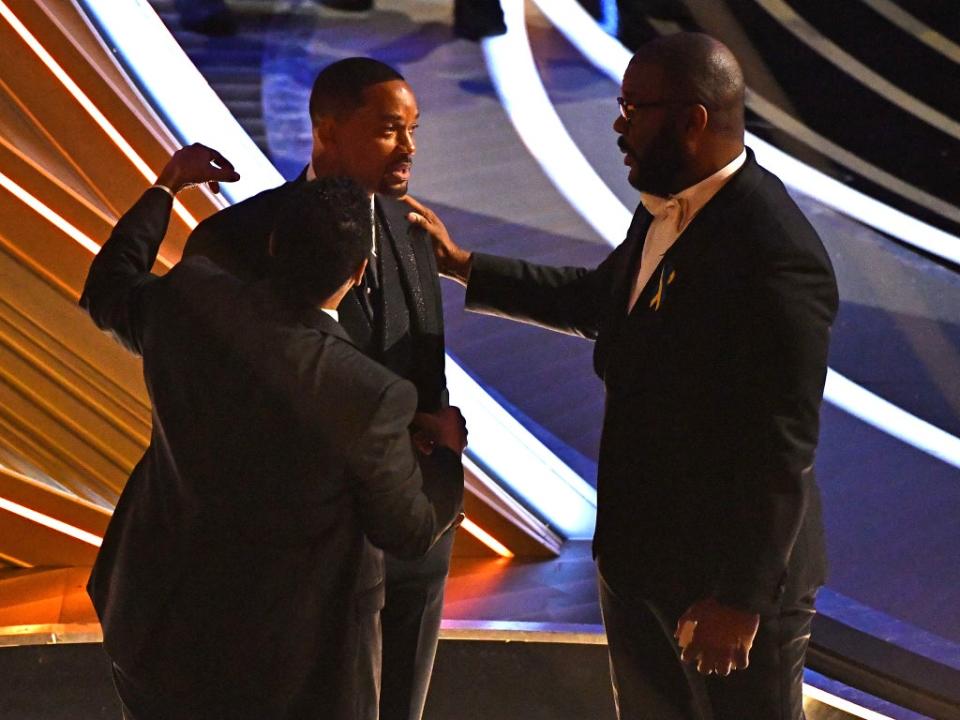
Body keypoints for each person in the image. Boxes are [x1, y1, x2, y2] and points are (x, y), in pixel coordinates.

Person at [407, 32, 839, 720]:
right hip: (641, 564)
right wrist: (463, 264)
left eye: (634, 107)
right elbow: (597, 301)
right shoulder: (665, 207)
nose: (618, 124)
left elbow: (781, 445)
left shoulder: (776, 257)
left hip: (720, 588)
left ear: (692, 120)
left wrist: (740, 599)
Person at [80, 145, 464, 719]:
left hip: (154, 632)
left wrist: (167, 187)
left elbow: (109, 287)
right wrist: (444, 458)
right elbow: (407, 531)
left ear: (273, 246)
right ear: (360, 273)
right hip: (289, 675)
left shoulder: (187, 299)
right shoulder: (369, 394)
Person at [183, 58, 462, 720]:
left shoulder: (412, 229)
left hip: (410, 539)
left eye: (414, 130)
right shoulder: (234, 242)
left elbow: (425, 369)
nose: (410, 148)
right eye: (391, 129)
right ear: (326, 132)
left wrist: (439, 470)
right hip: (300, 554)